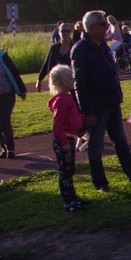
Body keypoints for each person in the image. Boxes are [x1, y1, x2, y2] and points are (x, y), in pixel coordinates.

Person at [71, 10, 131, 192]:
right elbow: (79, 83)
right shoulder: (80, 50)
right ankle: (100, 182)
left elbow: (111, 71)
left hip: (112, 103)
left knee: (121, 141)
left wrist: (118, 94)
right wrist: (87, 112)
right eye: (103, 24)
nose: (107, 28)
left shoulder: (102, 45)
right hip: (96, 107)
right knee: (96, 146)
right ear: (92, 27)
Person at [47, 64, 86, 212]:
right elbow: (57, 124)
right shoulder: (62, 101)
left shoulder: (67, 98)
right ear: (60, 82)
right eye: (69, 78)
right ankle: (68, 201)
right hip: (64, 140)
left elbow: (72, 118)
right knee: (65, 171)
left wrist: (83, 120)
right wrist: (63, 142)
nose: (73, 80)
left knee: (69, 170)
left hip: (69, 137)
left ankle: (72, 198)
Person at [36, 22, 74, 92]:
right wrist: (39, 79)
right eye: (63, 31)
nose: (65, 33)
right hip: (57, 82)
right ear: (59, 33)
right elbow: (46, 64)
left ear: (70, 32)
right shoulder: (54, 48)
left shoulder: (75, 47)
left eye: (67, 31)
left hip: (71, 81)